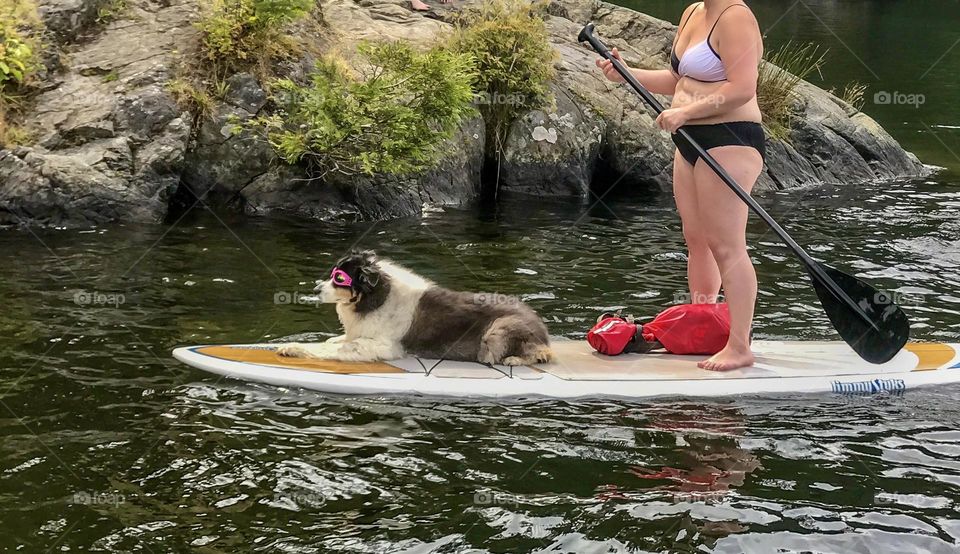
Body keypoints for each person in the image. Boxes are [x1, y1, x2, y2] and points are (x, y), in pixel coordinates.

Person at [595, 0, 764, 371]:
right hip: (689, 140)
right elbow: (678, 81)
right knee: (697, 239)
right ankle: (707, 328)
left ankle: (739, 346)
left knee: (726, 244)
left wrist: (685, 112)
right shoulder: (693, 12)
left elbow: (742, 88)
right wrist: (626, 73)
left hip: (730, 137)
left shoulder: (735, 17)